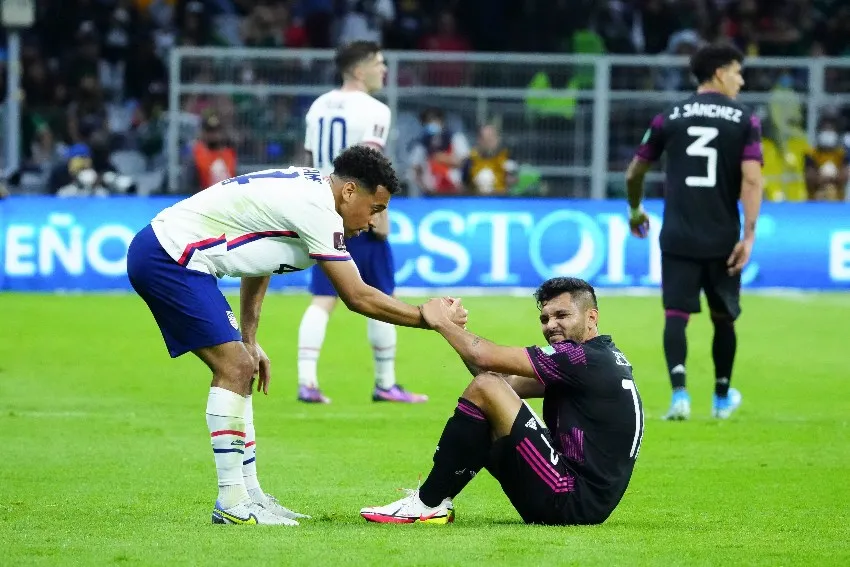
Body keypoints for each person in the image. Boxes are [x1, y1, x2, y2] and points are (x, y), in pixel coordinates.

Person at [126, 145, 468, 526]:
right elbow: (357, 296)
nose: (373, 222)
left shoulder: (314, 193)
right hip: (168, 258)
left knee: (242, 363)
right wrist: (430, 317)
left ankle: (249, 495)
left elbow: (261, 259)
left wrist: (250, 338)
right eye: (375, 209)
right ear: (350, 191)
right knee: (235, 367)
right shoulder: (319, 210)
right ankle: (231, 503)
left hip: (170, 253)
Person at [360, 277, 644, 526]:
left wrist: (441, 322)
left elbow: (486, 364)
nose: (551, 325)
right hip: (581, 502)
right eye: (545, 319)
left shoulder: (581, 358)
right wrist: (456, 330)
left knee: (486, 388)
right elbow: (502, 384)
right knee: (489, 395)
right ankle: (435, 502)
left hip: (569, 499)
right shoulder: (598, 358)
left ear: (591, 317)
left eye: (561, 315)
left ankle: (427, 503)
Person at [624, 42, 764, 421]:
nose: (741, 79)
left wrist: (635, 210)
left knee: (675, 316)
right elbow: (752, 181)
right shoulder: (744, 118)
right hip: (723, 237)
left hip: (679, 236)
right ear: (719, 72)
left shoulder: (669, 115)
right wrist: (749, 235)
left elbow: (634, 171)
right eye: (737, 71)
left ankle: (680, 397)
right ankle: (721, 399)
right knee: (724, 318)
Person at [297, 40, 427, 404]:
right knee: (382, 296)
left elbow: (309, 160)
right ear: (359, 69)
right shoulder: (374, 110)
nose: (383, 70)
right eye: (378, 63)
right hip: (357, 212)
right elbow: (371, 166)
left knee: (322, 298)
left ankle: (307, 381)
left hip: (321, 209)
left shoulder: (318, 106)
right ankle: (385, 383)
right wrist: (379, 214)